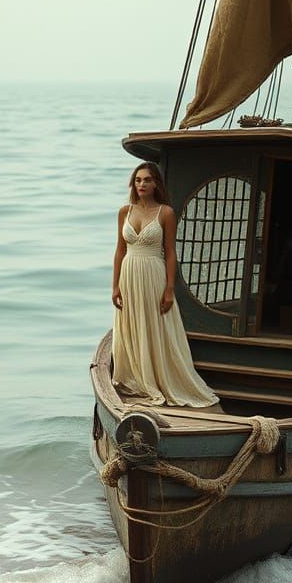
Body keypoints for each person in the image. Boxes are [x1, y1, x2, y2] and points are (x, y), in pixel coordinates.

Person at [111, 161, 219, 407]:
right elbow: (119, 251)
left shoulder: (165, 213)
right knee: (131, 323)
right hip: (129, 273)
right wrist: (115, 286)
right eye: (138, 180)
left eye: (147, 180)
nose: (142, 184)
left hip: (153, 274)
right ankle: (137, 375)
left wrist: (169, 289)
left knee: (155, 323)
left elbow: (170, 253)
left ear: (156, 183)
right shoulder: (124, 212)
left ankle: (160, 376)